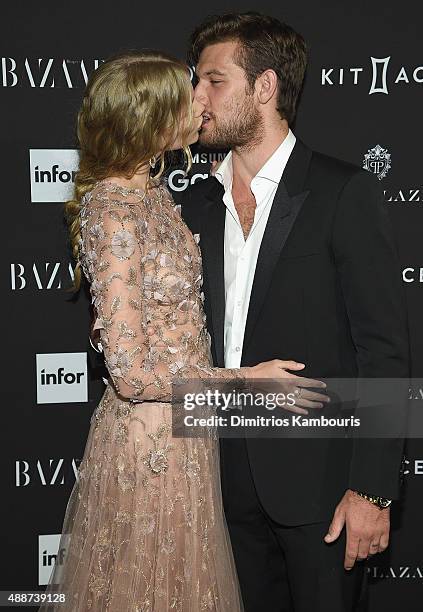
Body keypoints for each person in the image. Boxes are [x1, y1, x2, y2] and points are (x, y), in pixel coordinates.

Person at [39, 50, 326, 612]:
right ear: (150, 116)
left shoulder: (154, 193)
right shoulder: (114, 210)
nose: (200, 103)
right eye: (186, 94)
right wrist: (244, 379)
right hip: (151, 446)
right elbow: (129, 373)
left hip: (188, 439)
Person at [181, 12, 410, 612]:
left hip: (322, 493)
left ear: (265, 88)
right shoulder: (194, 206)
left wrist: (373, 492)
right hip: (216, 489)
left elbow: (384, 350)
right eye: (195, 82)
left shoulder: (340, 191)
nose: (196, 97)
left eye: (213, 81)